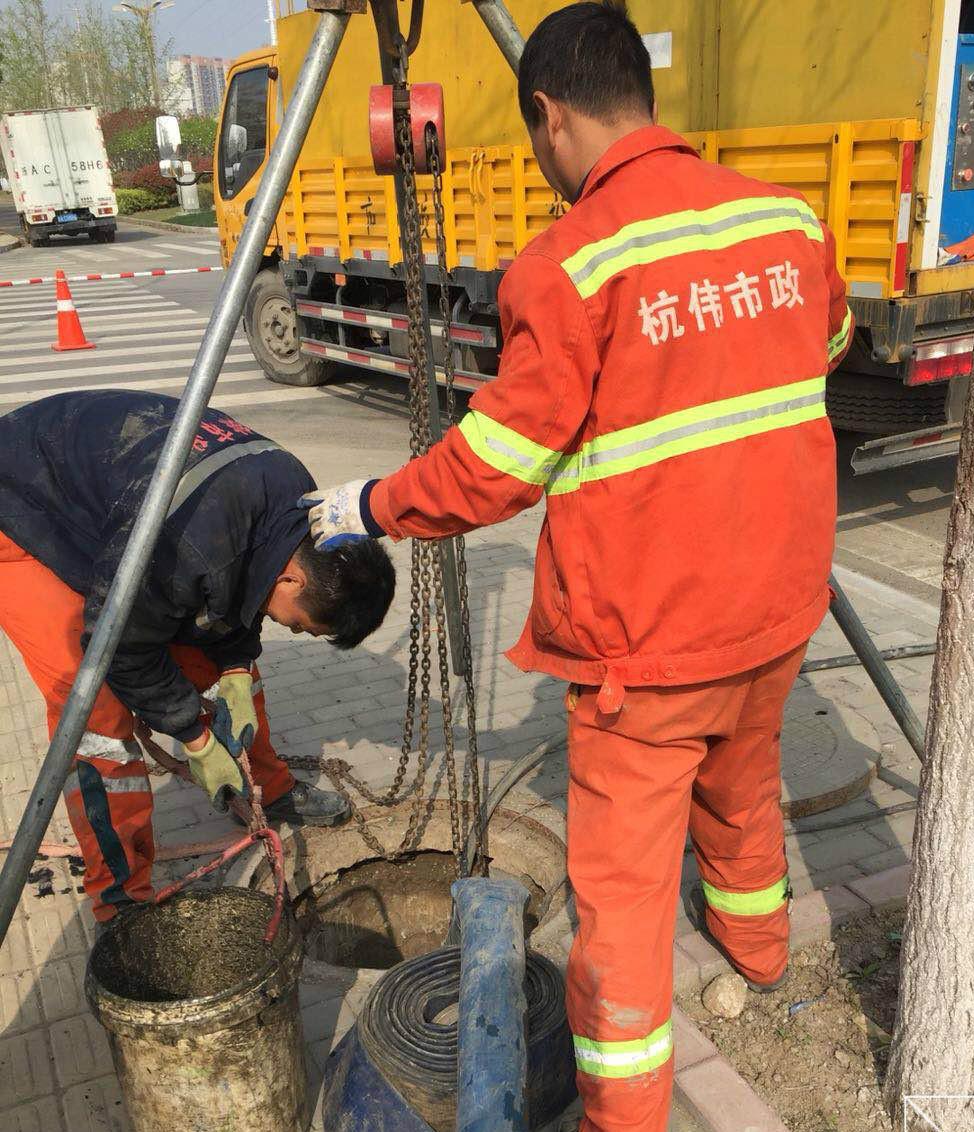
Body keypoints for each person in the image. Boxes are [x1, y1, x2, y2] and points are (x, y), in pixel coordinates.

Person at [304, 4, 852, 1130]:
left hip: (644, 656)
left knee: (625, 911)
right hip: (777, 613)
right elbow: (826, 343)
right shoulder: (789, 221)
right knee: (744, 796)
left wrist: (372, 502)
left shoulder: (570, 264)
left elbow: (495, 467)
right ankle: (760, 953)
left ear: (549, 114)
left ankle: (624, 1113)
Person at [0, 390, 395, 925]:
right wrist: (193, 736)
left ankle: (265, 790)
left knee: (229, 674)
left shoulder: (294, 506)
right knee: (94, 713)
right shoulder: (186, 545)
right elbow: (119, 646)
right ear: (294, 576)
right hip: (22, 507)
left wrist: (234, 666)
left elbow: (239, 587)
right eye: (300, 624)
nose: (291, 631)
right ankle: (120, 899)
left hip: (126, 509)